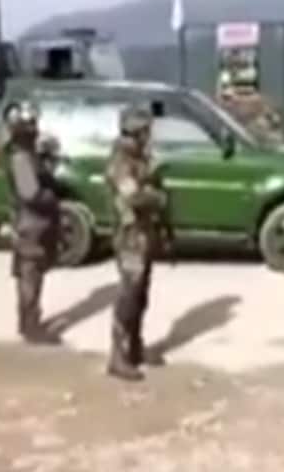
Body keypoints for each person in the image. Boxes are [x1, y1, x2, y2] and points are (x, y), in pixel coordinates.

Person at [104, 104, 168, 381]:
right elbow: (132, 196)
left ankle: (134, 347)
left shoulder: (140, 157)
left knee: (141, 294)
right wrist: (156, 197)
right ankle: (117, 357)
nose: (149, 135)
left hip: (143, 233)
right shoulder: (121, 160)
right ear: (136, 132)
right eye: (146, 131)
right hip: (129, 235)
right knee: (129, 295)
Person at [4, 100, 62, 345]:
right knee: (30, 274)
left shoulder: (27, 154)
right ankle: (31, 327)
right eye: (32, 125)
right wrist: (52, 198)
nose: (36, 129)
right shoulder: (20, 157)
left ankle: (28, 322)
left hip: (32, 223)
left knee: (31, 273)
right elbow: (31, 193)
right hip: (31, 224)